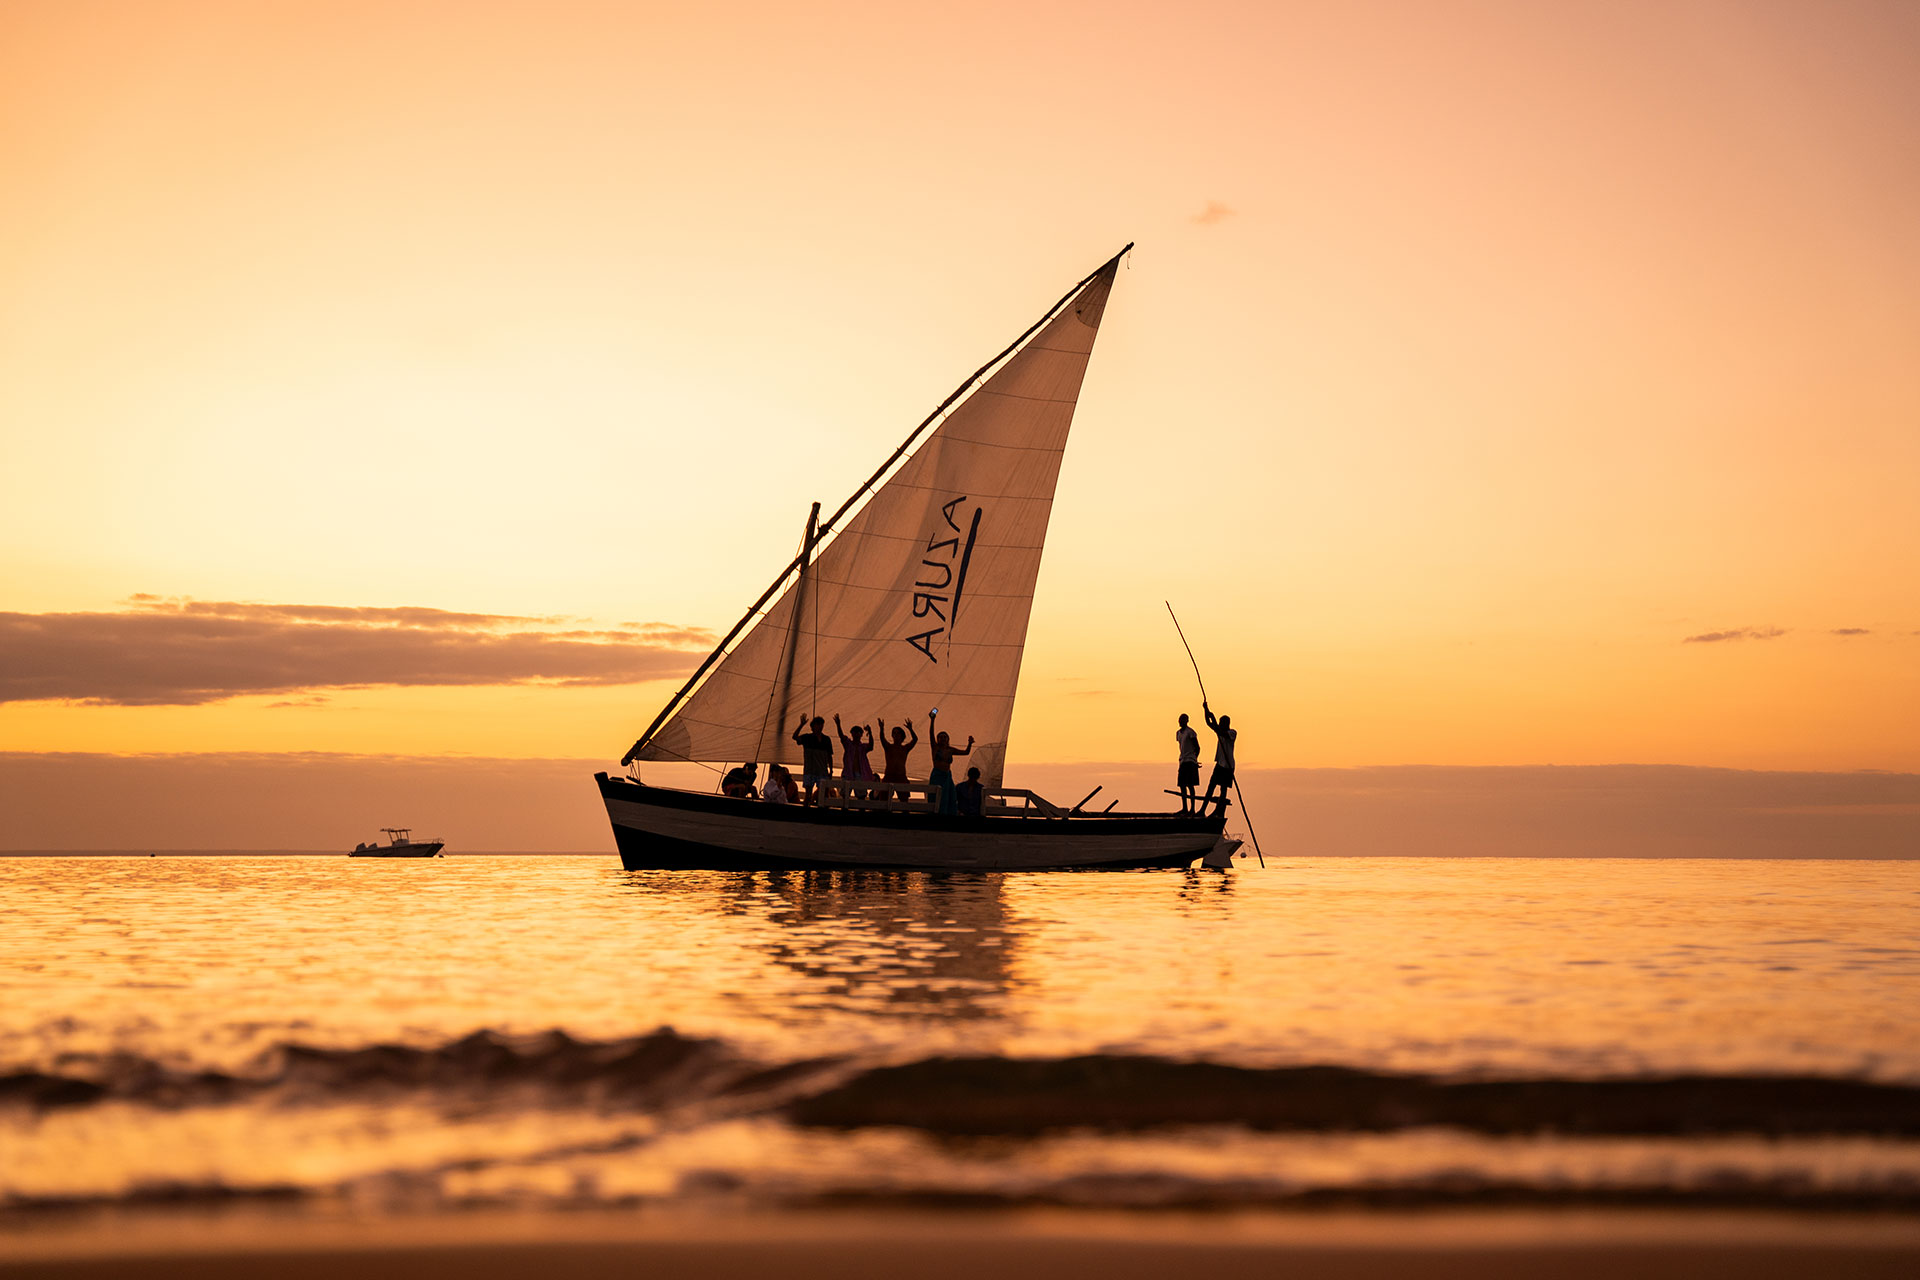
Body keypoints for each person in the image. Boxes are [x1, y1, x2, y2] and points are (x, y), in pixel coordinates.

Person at [926, 708, 973, 816]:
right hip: (937, 775)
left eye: (945, 737)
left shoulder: (951, 750)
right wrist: (932, 720)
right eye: (940, 737)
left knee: (949, 796)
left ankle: (948, 815)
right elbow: (931, 733)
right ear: (938, 739)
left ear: (948, 739)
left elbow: (966, 752)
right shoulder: (935, 747)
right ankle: (935, 814)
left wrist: (970, 743)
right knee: (937, 796)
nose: (943, 739)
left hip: (947, 776)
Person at [1201, 701, 1236, 817]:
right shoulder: (1220, 732)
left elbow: (1219, 730)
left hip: (1228, 766)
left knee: (1223, 790)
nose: (1220, 724)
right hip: (1220, 764)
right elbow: (1209, 723)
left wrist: (1214, 718)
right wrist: (1206, 710)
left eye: (1222, 723)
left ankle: (1219, 811)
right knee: (1211, 786)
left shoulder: (1231, 733)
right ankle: (1202, 810)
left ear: (1226, 724)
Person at [792, 714, 834, 804]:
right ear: (812, 726)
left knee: (825, 794)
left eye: (821, 724)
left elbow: (830, 756)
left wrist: (831, 770)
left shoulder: (826, 739)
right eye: (818, 724)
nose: (820, 726)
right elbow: (795, 737)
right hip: (809, 770)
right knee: (808, 795)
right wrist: (801, 725)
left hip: (822, 771)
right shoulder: (807, 738)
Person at [835, 714, 877, 798]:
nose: (856, 734)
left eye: (858, 732)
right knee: (845, 795)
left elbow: (871, 746)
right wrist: (838, 725)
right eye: (854, 732)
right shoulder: (848, 744)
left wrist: (870, 733)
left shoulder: (863, 747)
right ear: (852, 734)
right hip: (848, 772)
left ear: (861, 734)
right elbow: (841, 736)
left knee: (861, 795)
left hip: (859, 774)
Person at [877, 717, 918, 801]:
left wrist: (910, 729)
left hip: (901, 776)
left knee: (904, 800)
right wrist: (881, 729)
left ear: (902, 736)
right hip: (889, 776)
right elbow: (882, 739)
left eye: (898, 733)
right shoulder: (888, 747)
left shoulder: (905, 748)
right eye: (894, 733)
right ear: (892, 735)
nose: (896, 735)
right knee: (883, 799)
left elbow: (915, 739)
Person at [1174, 712, 1202, 814]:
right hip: (1182, 761)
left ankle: (1192, 809)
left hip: (1190, 761)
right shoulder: (1178, 733)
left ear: (1187, 721)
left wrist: (1194, 759)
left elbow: (1197, 747)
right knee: (1182, 785)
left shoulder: (1191, 732)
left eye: (1183, 720)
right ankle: (1185, 808)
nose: (1181, 722)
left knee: (1190, 785)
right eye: (1180, 720)